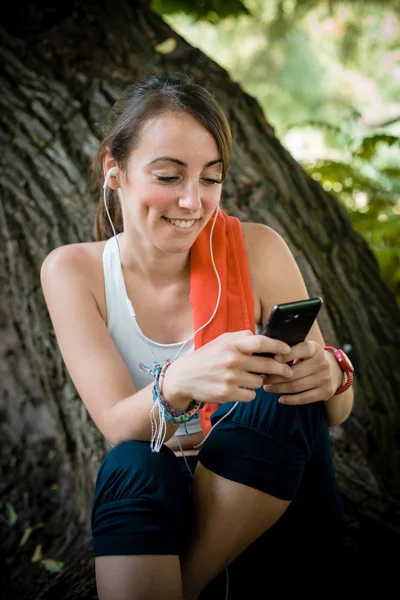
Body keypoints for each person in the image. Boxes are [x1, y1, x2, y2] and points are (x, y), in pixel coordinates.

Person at [40, 74, 354, 600]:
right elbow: (118, 425)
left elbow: (332, 411)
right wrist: (180, 379)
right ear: (113, 171)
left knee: (277, 396)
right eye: (169, 175)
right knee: (132, 463)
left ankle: (190, 583)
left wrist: (333, 375)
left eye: (211, 179)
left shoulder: (256, 249)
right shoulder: (73, 271)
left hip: (268, 489)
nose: (193, 201)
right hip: (165, 490)